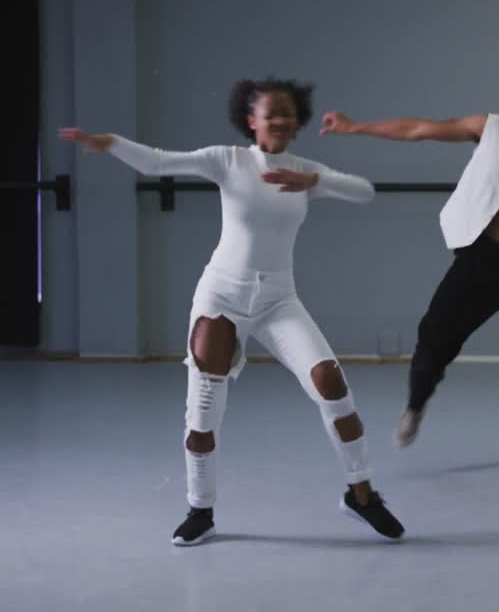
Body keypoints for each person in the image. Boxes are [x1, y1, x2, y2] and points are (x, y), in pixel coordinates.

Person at [60, 78, 404, 546]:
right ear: (252, 121)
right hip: (221, 298)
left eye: (287, 113)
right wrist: (112, 144)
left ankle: (361, 496)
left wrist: (316, 181)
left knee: (331, 383)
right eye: (270, 113)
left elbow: (364, 191)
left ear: (296, 121)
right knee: (203, 414)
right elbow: (160, 161)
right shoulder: (228, 160)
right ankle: (200, 510)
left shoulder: (305, 171)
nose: (279, 120)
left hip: (279, 300)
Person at [320, 55, 499, 484]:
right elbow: (421, 130)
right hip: (481, 258)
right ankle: (416, 404)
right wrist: (355, 127)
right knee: (435, 335)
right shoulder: (494, 127)